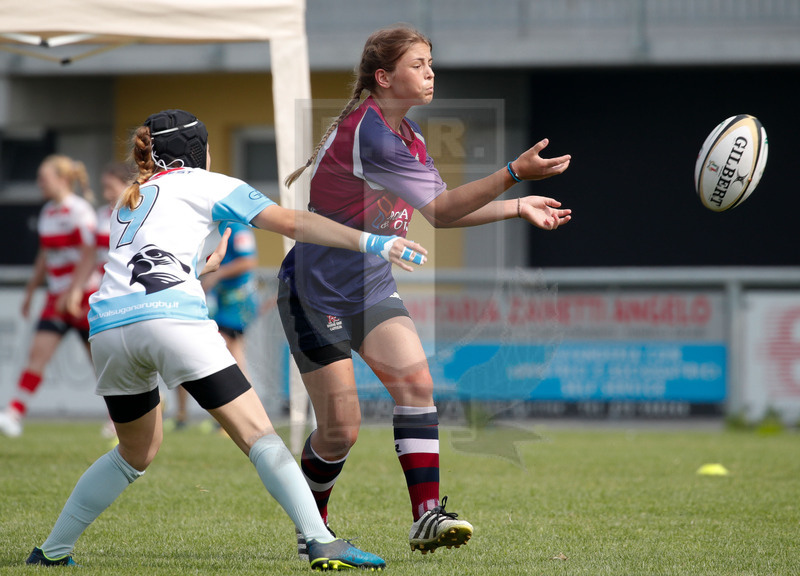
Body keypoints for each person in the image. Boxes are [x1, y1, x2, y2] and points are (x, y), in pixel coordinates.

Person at [24, 109, 427, 569]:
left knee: (134, 453)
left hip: (109, 327)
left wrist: (198, 268)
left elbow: (144, 263)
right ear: (198, 151)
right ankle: (320, 540)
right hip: (172, 319)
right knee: (260, 436)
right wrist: (375, 243)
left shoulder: (130, 199)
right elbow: (293, 224)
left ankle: (52, 551)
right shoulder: (206, 181)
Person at [278, 25, 572, 556]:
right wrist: (512, 176)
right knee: (341, 431)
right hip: (313, 291)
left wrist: (516, 205)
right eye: (418, 64)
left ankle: (426, 516)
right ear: (384, 78)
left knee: (417, 389)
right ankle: (312, 531)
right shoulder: (371, 134)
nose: (430, 71)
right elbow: (441, 209)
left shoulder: (407, 136)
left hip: (369, 286)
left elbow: (440, 212)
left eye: (431, 62)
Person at [0, 155, 100, 438]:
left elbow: (89, 255)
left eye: (43, 178)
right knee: (37, 354)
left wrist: (75, 291)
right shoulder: (47, 212)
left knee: (101, 364)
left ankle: (118, 418)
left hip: (84, 296)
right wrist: (31, 290)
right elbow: (45, 254)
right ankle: (14, 413)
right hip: (56, 296)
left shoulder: (79, 211)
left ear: (62, 179)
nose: (38, 183)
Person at [172, 221, 259, 429]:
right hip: (217, 301)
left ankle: (240, 416)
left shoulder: (237, 229)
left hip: (236, 303)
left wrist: (217, 273)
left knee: (225, 352)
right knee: (220, 352)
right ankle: (184, 415)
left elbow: (248, 262)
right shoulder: (206, 226)